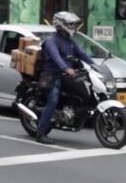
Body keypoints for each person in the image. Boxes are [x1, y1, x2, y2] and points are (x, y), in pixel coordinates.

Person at [35, 11, 94, 145]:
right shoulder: (51, 41)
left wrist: (95, 66)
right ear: (61, 25)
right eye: (70, 24)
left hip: (68, 75)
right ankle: (41, 133)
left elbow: (82, 54)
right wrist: (66, 68)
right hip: (52, 75)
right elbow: (56, 57)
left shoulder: (69, 40)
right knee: (53, 100)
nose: (73, 27)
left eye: (73, 24)